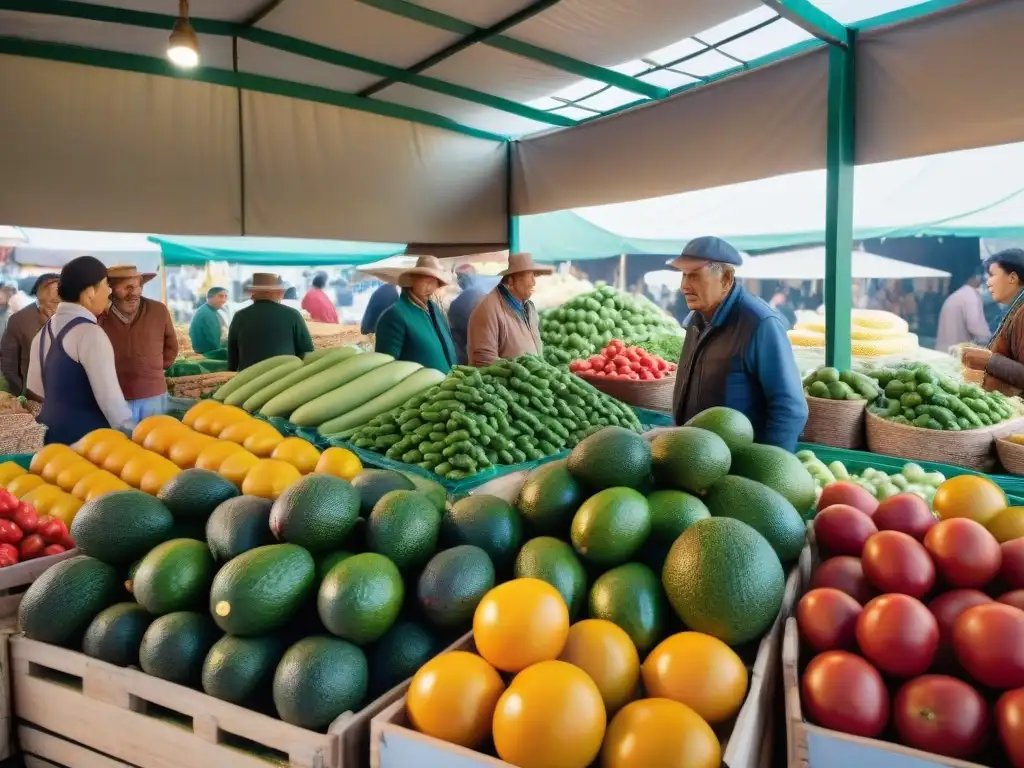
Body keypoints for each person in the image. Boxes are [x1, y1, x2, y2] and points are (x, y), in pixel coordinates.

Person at [670, 236, 807, 452]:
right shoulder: (697, 319)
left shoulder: (760, 323)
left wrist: (767, 468)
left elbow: (790, 408)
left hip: (738, 464)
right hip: (696, 457)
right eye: (684, 275)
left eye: (694, 275)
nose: (684, 286)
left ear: (726, 278)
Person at [27, 256, 133, 445]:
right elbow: (112, 403)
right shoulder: (90, 334)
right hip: (87, 444)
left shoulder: (41, 334)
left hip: (50, 441)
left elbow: (36, 390)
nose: (109, 291)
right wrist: (132, 436)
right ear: (90, 292)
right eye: (105, 284)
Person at [98, 265, 178, 421]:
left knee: (155, 440)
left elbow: (171, 347)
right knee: (117, 443)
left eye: (138, 286)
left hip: (153, 394)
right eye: (127, 288)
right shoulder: (99, 314)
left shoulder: (158, 310)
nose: (134, 293)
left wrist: (149, 369)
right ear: (111, 288)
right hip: (113, 397)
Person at [467, 253, 551, 367]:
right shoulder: (488, 310)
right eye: (529, 276)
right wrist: (517, 374)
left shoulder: (529, 307)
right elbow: (483, 360)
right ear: (511, 281)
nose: (534, 282)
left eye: (534, 276)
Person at [374, 256, 456, 373]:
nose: (431, 288)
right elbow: (386, 365)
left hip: (445, 386)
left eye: (435, 283)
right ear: (413, 280)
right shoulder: (395, 315)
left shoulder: (435, 309)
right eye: (427, 282)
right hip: (421, 389)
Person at [963, 249, 1024, 391]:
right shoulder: (1016, 308)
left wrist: (988, 360)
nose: (988, 283)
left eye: (992, 275)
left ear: (1013, 278)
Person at [228, 273, 314, 372]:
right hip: (285, 377)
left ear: (253, 293)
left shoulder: (239, 317)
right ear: (277, 293)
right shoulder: (292, 315)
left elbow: (233, 357)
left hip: (249, 380)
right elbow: (307, 352)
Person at [0, 273, 59, 396]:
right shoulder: (19, 320)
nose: (57, 298)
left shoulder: (70, 316)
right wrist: (22, 391)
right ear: (39, 294)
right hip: (33, 396)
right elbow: (8, 362)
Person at [934, 272, 990, 353]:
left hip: (942, 353)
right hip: (956, 356)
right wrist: (990, 340)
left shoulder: (957, 295)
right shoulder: (971, 295)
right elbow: (977, 327)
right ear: (975, 278)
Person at [447, 265, 488, 365]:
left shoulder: (457, 303)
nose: (458, 281)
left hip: (470, 354)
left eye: (460, 277)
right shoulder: (487, 296)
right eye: (458, 277)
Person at [189, 286, 230, 355]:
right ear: (209, 298)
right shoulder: (206, 313)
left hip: (209, 350)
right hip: (208, 353)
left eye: (226, 297)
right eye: (221, 296)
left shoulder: (210, 310)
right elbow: (214, 343)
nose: (224, 300)